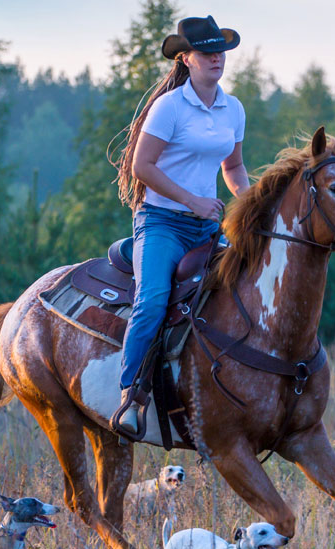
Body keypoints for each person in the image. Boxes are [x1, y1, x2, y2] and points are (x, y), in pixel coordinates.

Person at [110, 15, 250, 437]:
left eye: (219, 50)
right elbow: (142, 166)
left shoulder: (233, 108)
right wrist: (192, 201)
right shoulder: (169, 107)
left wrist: (251, 205)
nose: (215, 57)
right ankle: (130, 398)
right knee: (152, 300)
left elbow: (235, 166)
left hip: (207, 226)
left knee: (247, 289)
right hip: (161, 223)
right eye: (206, 51)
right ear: (186, 58)